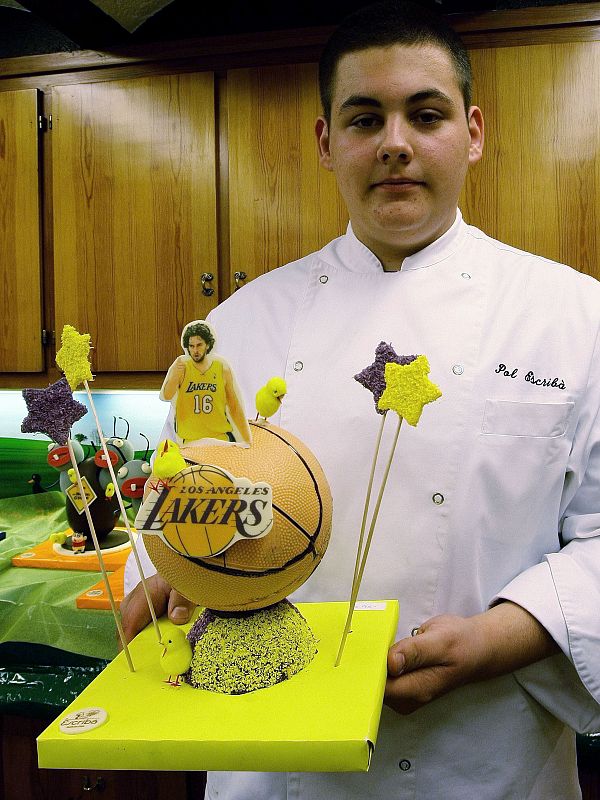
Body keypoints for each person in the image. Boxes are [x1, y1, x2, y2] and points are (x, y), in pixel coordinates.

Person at [121, 1, 600, 797]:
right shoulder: (239, 326)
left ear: (473, 132)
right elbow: (182, 494)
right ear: (327, 143)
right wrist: (171, 569)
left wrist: (497, 639)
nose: (396, 144)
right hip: (269, 756)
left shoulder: (576, 316)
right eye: (365, 118)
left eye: (426, 114)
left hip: (481, 758)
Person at [160, 319, 251, 445]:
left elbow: (234, 406)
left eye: (199, 345)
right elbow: (166, 395)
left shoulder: (222, 367)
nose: (195, 350)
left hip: (219, 440)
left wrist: (247, 440)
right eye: (191, 346)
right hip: (189, 442)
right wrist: (175, 376)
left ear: (208, 345)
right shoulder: (182, 365)